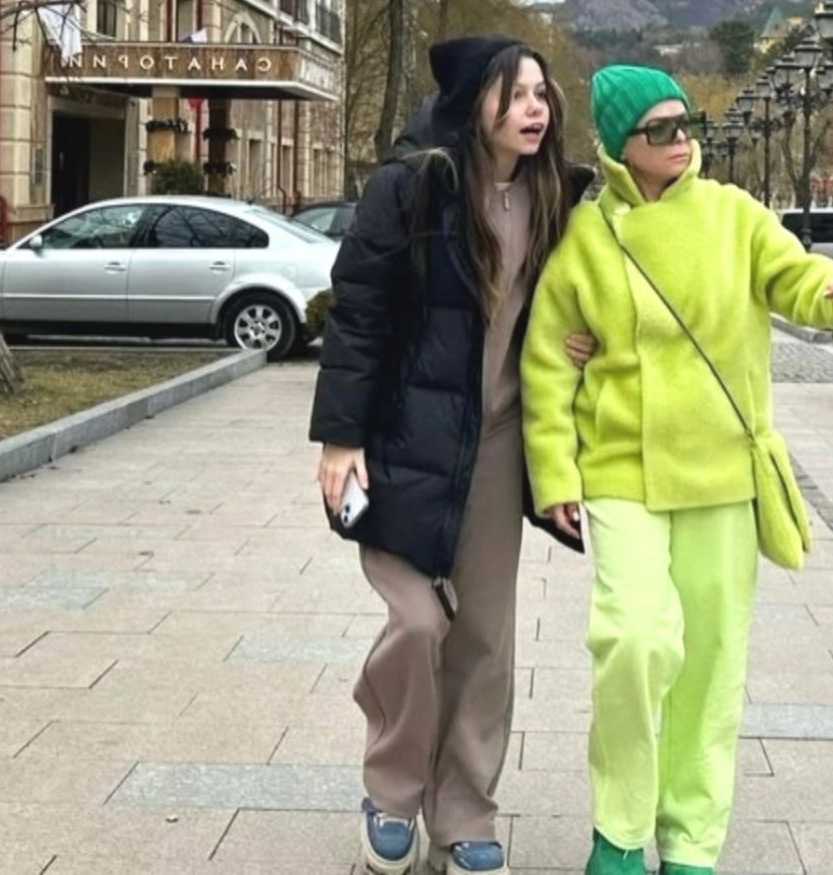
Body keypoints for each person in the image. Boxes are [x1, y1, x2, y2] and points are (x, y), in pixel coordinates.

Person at [521, 65, 833, 874]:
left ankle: (690, 840)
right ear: (619, 145)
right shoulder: (585, 238)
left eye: (684, 121)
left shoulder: (733, 215)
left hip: (722, 474)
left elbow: (798, 277)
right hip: (620, 470)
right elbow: (546, 364)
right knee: (633, 640)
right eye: (658, 129)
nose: (680, 138)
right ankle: (619, 830)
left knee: (711, 665)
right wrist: (555, 477)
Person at [309, 36, 595, 875]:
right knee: (417, 620)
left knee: (482, 637)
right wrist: (340, 437)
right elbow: (358, 313)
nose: (536, 108)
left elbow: (588, 300)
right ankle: (392, 790)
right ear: (475, 102)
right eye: (517, 93)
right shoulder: (409, 187)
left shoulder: (559, 197)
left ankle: (464, 813)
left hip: (502, 443)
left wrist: (586, 340)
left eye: (542, 93)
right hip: (404, 438)